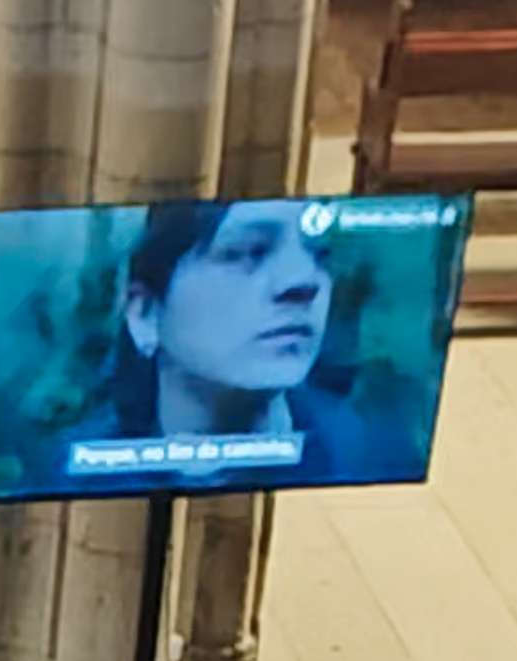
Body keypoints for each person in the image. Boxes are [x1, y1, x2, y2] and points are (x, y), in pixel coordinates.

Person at [86, 196, 409, 483]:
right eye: (246, 251)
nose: (303, 281)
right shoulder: (74, 464)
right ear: (144, 314)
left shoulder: (373, 453)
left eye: (320, 255)